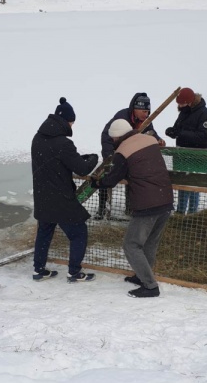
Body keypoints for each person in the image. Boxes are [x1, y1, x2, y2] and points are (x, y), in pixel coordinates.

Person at [90, 119, 174, 298]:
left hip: (148, 204)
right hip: (165, 199)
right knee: (150, 242)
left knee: (131, 245)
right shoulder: (149, 140)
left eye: (113, 139)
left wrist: (98, 183)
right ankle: (143, 277)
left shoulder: (123, 151)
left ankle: (150, 286)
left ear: (118, 137)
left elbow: (112, 179)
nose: (113, 142)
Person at [31, 97, 99, 283]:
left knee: (44, 233)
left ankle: (39, 269)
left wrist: (77, 158)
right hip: (61, 199)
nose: (72, 126)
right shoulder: (63, 143)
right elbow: (82, 169)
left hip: (43, 198)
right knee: (78, 233)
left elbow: (58, 161)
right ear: (65, 121)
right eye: (72, 122)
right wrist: (94, 157)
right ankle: (74, 272)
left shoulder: (37, 139)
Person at [96, 93, 166, 220]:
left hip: (131, 156)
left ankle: (129, 208)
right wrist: (110, 157)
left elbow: (150, 133)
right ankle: (102, 208)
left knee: (133, 177)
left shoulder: (146, 121)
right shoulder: (121, 118)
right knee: (107, 176)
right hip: (115, 153)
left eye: (148, 111)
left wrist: (158, 139)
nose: (147, 114)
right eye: (144, 111)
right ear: (136, 109)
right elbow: (106, 136)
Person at [165, 87, 207, 214]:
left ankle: (192, 214)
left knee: (192, 186)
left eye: (182, 103)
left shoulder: (204, 114)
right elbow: (179, 129)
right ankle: (180, 213)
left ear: (190, 101)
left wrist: (181, 133)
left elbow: (204, 137)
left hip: (197, 158)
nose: (180, 106)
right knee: (182, 184)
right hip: (182, 156)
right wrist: (173, 131)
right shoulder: (184, 112)